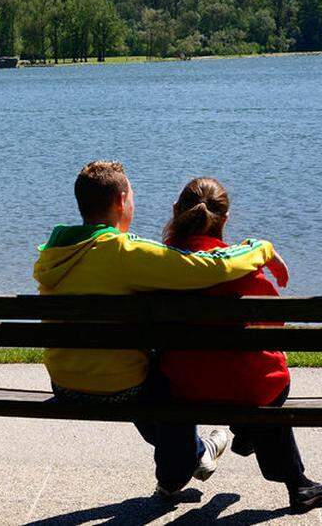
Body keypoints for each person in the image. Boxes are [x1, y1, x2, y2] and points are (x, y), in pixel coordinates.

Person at [33, 160, 289, 497]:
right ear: (122, 200)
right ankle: (193, 457)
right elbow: (211, 266)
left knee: (148, 366)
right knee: (167, 381)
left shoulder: (53, 253)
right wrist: (262, 248)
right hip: (121, 388)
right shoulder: (126, 252)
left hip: (65, 383)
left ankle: (196, 454)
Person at [158, 177, 322, 512]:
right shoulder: (248, 274)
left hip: (183, 389)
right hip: (252, 392)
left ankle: (171, 478)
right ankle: (293, 480)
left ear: (176, 212)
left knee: (173, 374)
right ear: (224, 220)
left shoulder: (159, 268)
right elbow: (274, 328)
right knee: (266, 378)